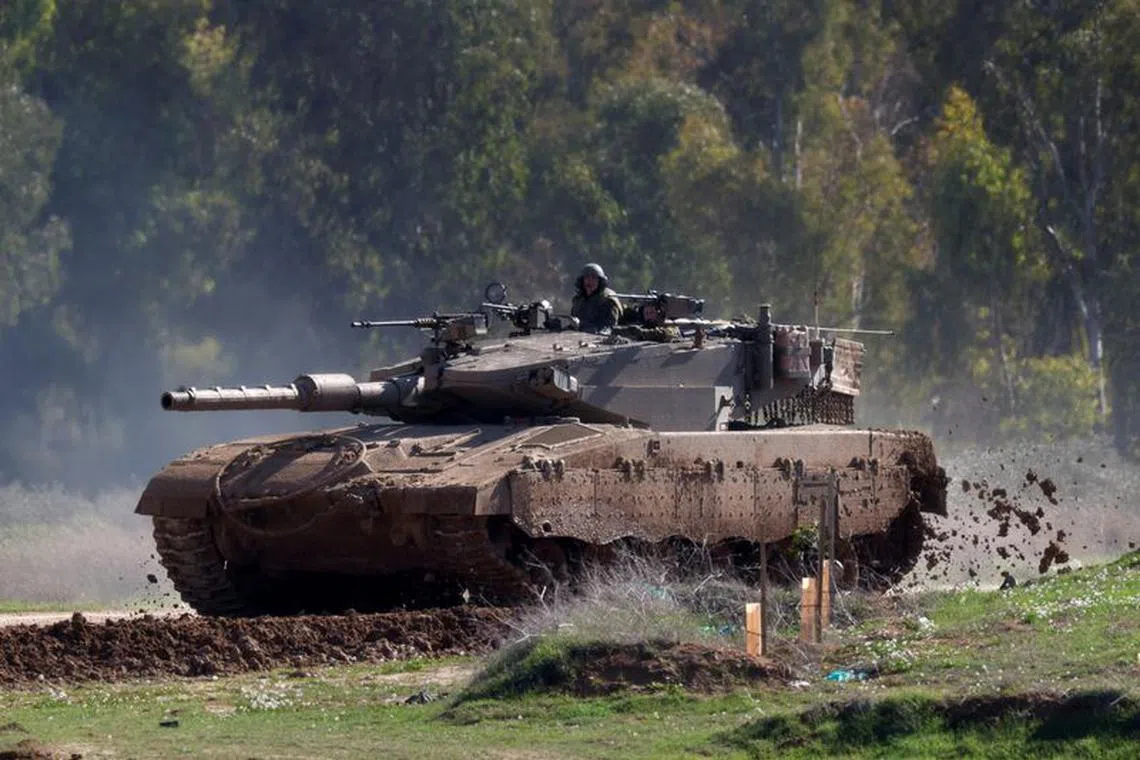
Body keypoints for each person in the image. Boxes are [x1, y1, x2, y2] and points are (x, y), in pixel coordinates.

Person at [570, 263, 622, 333]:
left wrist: (584, 326)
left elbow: (608, 327)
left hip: (598, 337)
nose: (590, 281)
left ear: (599, 281)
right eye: (587, 278)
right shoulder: (578, 299)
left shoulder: (607, 301)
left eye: (594, 278)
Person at [616, 301, 681, 342]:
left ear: (659, 313)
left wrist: (643, 333)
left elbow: (667, 334)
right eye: (646, 313)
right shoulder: (642, 327)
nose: (649, 316)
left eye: (652, 312)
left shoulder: (670, 325)